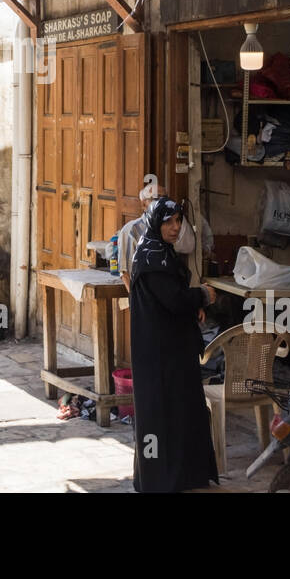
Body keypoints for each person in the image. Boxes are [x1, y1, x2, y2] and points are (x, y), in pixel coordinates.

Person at [128, 196, 219, 493]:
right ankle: (161, 479)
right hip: (160, 351)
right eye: (168, 221)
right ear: (156, 222)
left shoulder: (160, 252)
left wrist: (193, 307)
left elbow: (174, 298)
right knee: (161, 413)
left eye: (178, 221)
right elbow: (174, 299)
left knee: (182, 411)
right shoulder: (152, 258)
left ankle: (185, 475)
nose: (175, 227)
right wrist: (202, 295)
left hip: (173, 348)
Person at [117, 175, 160, 290]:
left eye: (165, 199)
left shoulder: (170, 229)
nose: (161, 204)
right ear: (144, 204)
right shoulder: (131, 230)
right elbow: (125, 272)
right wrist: (136, 302)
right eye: (155, 199)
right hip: (143, 297)